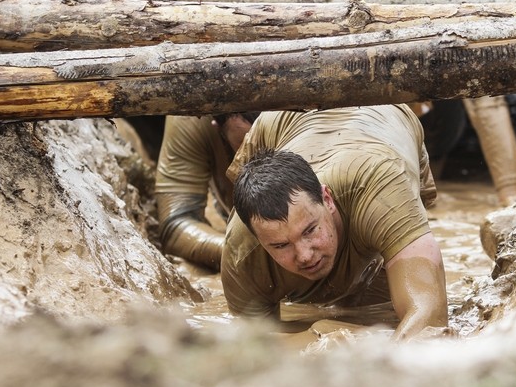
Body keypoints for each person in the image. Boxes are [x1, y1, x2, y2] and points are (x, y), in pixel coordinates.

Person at [221, 104, 448, 340]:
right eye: (281, 245)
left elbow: (430, 319)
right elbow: (250, 347)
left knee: (386, 287)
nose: (305, 255)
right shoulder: (241, 249)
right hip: (278, 117)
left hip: (387, 113)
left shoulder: (382, 194)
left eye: (310, 230)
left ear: (327, 199)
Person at [341, 0, 516, 205]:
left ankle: (513, 192)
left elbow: (482, 68)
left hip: (446, 114)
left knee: (478, 78)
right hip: (393, 125)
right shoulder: (350, 7)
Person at [155, 111, 259, 271]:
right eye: (247, 145)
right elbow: (176, 222)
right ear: (219, 129)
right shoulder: (193, 112)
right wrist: (245, 255)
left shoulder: (306, 113)